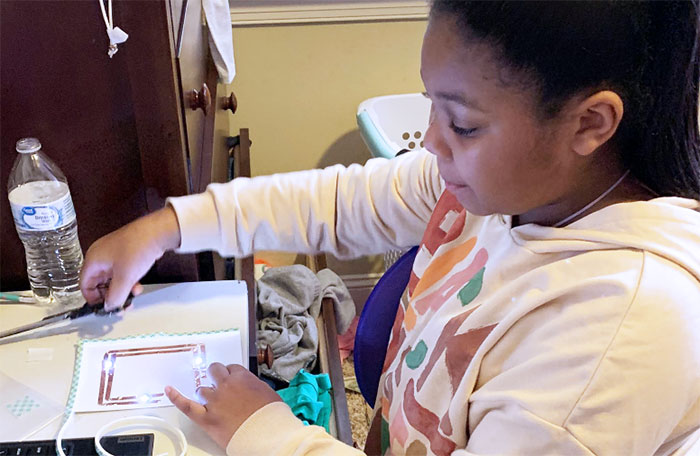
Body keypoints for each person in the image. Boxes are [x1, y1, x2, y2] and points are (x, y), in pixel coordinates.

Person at [80, 0, 700, 454]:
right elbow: (343, 201)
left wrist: (268, 434)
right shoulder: (513, 187)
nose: (430, 141)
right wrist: (168, 226)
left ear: (590, 124)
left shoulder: (619, 334)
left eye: (462, 123)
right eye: (432, 104)